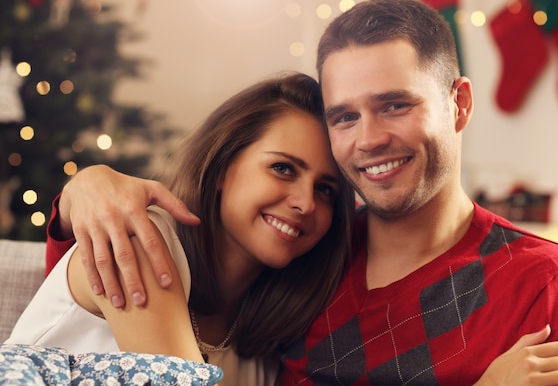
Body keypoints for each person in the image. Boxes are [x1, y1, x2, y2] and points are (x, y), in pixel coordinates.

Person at [40, 0, 558, 385]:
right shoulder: (306, 265)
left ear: (459, 104)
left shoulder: (542, 283)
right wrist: (83, 189)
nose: (370, 140)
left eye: (396, 105)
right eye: (344, 116)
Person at [6, 72, 355, 386]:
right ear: (221, 167)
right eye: (283, 168)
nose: (306, 203)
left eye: (326, 189)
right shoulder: (139, 239)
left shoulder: (263, 347)